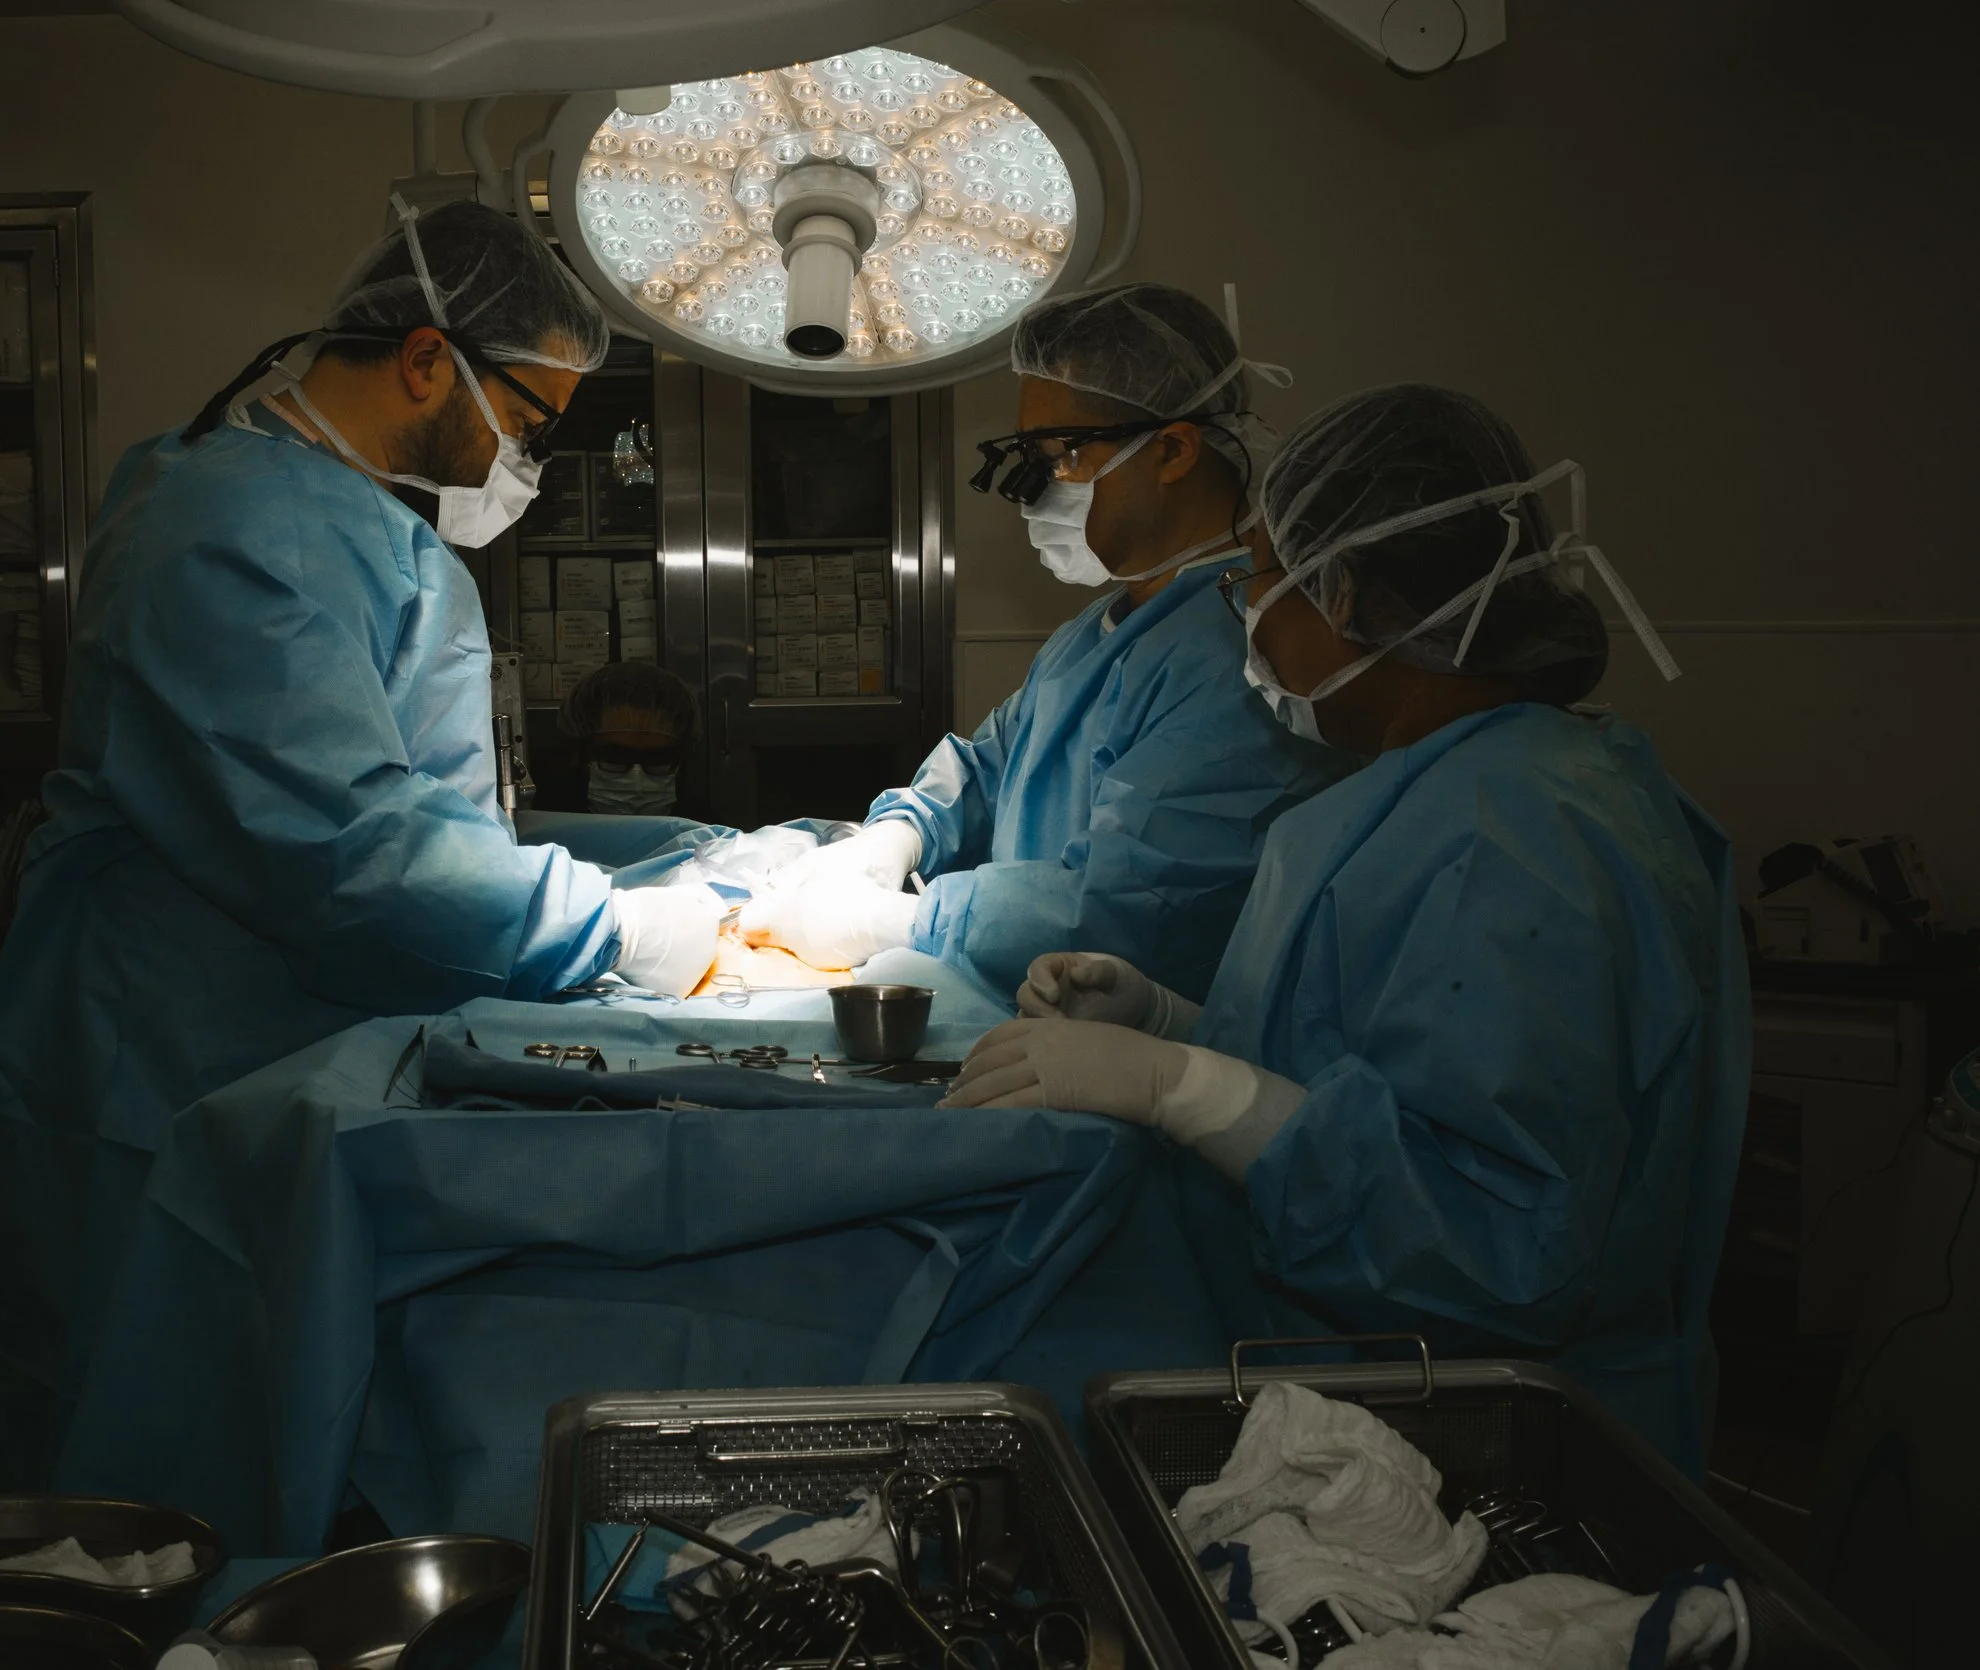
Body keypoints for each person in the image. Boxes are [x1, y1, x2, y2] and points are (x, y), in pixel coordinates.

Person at [0, 201, 723, 1488]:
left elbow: (426, 811)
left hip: (269, 1041)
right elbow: (342, 842)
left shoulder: (345, 522)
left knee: (271, 1402)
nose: (527, 459)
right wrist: (614, 924)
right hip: (165, 1061)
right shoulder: (230, 529)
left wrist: (675, 848)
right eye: (528, 421)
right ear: (428, 361)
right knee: (151, 1450)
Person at [943, 385, 1749, 1473]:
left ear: (1354, 591)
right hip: (1366, 1391)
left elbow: (1494, 1242)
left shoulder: (1509, 832)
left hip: (1479, 1455)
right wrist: (1170, 1016)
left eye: (1264, 575)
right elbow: (1369, 1066)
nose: (1248, 610)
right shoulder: (1444, 785)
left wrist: (1177, 1085)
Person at [737, 283, 1350, 1003]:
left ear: (1174, 450)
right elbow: (987, 772)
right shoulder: (1088, 640)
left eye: (1058, 455)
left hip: (1131, 1058)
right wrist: (895, 837)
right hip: (1035, 1018)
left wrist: (901, 921)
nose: (1035, 489)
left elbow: (1132, 916)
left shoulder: (1245, 650)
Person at [561, 661, 699, 816]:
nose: (636, 780)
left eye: (657, 760)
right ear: (581, 757)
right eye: (616, 758)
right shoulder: (545, 833)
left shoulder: (708, 837)